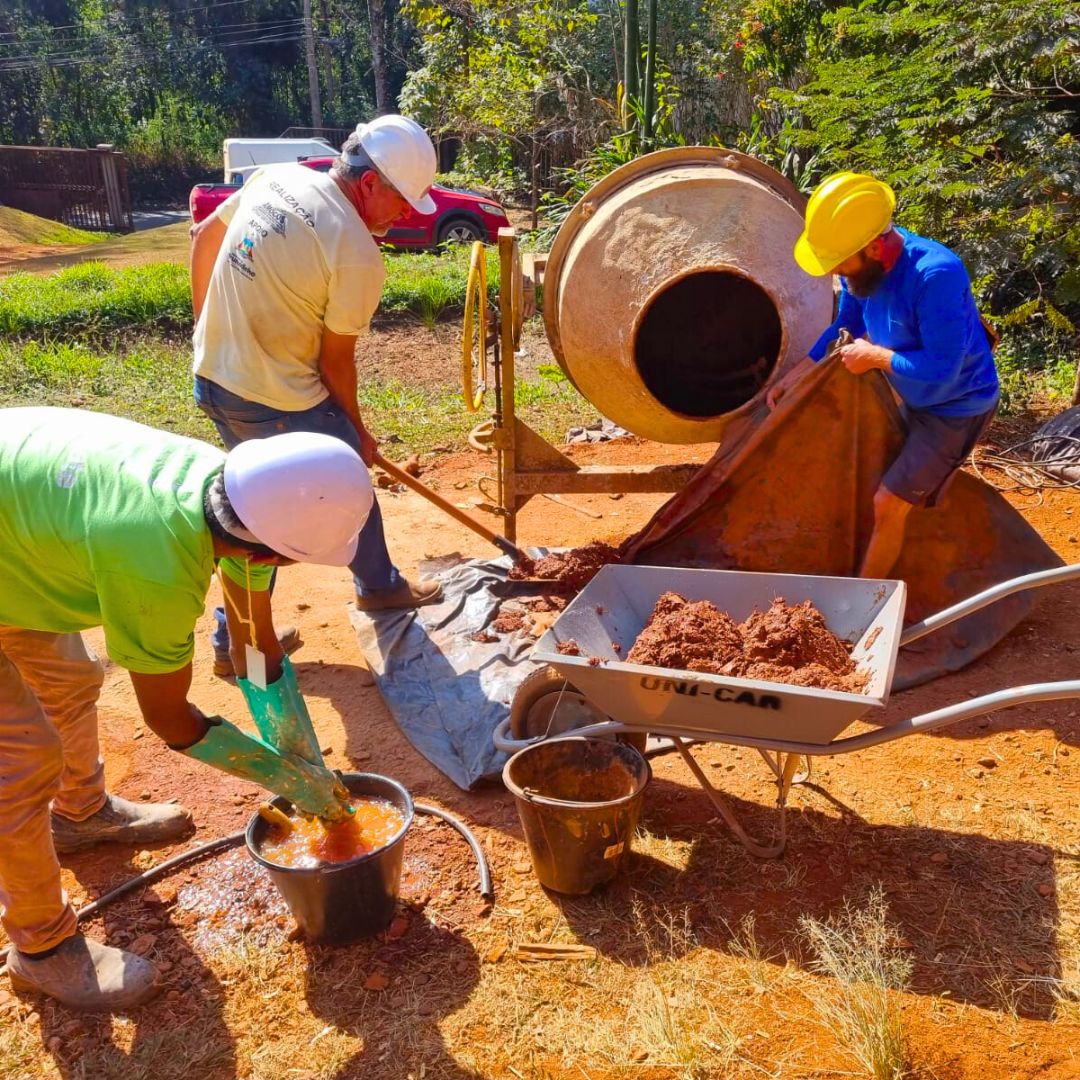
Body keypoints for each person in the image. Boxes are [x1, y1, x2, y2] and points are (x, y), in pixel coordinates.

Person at [0, 406, 372, 1010]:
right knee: (20, 762)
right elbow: (170, 720)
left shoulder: (240, 492)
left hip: (19, 539)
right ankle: (41, 949)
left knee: (68, 682)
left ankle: (80, 814)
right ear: (270, 554)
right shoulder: (155, 567)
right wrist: (286, 779)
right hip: (18, 532)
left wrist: (303, 755)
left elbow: (253, 645)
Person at [189, 113, 444, 677]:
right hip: (271, 399)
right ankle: (240, 644)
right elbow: (335, 362)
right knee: (270, 511)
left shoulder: (280, 176)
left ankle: (376, 585)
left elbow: (205, 236)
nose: (406, 215)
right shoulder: (355, 252)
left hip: (213, 376)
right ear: (369, 182)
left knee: (257, 498)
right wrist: (358, 433)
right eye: (402, 201)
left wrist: (205, 327)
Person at [766, 171, 999, 579]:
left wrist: (877, 357)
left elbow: (942, 368)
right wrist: (796, 376)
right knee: (860, 477)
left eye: (840, 263)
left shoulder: (935, 276)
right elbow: (848, 323)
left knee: (888, 503)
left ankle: (867, 602)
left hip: (954, 408)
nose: (836, 272)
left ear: (874, 247)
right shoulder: (863, 270)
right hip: (906, 395)